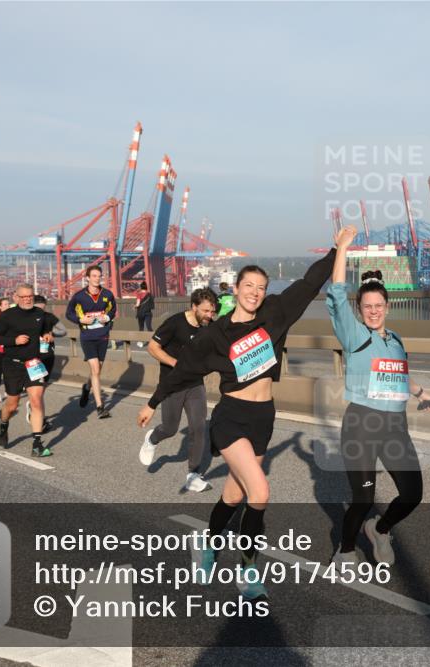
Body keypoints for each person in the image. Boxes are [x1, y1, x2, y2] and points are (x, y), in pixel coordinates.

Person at [137, 236, 341, 601]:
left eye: (261, 287)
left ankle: (209, 543)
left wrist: (336, 250)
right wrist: (153, 403)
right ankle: (248, 570)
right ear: (236, 288)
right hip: (231, 415)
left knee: (234, 495)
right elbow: (183, 370)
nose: (255, 292)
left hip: (263, 416)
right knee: (259, 491)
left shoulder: (275, 314)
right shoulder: (217, 334)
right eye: (249, 286)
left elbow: (310, 284)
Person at [326, 230, 430, 566]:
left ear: (387, 307)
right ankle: (345, 551)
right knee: (363, 497)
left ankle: (380, 529)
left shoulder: (396, 340)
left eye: (378, 306)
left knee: (413, 494)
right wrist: (342, 249)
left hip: (395, 426)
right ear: (359, 310)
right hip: (362, 423)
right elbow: (335, 292)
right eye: (367, 307)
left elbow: (397, 376)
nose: (373, 312)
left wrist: (420, 392)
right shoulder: (354, 334)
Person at [138, 287, 218, 493]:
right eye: (206, 311)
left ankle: (193, 474)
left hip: (194, 383)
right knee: (170, 428)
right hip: (172, 383)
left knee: (199, 428)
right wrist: (176, 363)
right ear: (194, 307)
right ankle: (152, 439)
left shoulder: (209, 326)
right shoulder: (174, 323)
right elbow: (152, 348)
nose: (210, 315)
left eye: (213, 311)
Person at [0, 284, 54, 457]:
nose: (27, 299)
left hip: (34, 364)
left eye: (30, 296)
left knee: (36, 400)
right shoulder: (7, 316)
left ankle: (37, 444)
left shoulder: (40, 314)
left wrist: (48, 334)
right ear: (16, 297)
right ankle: (3, 424)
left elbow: (47, 329)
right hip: (13, 364)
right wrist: (14, 340)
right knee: (12, 405)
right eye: (24, 296)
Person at [65, 265, 116, 419]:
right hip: (87, 336)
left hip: (102, 335)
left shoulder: (107, 294)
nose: (97, 278)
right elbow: (69, 313)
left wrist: (107, 317)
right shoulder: (79, 296)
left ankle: (87, 388)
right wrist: (80, 319)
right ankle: (100, 407)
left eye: (99, 276)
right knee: (95, 369)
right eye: (93, 276)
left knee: (97, 370)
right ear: (87, 278)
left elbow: (113, 310)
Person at [29, 294, 67, 430]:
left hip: (48, 356)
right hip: (33, 358)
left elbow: (63, 331)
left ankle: (34, 406)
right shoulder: (26, 319)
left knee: (43, 386)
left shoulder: (50, 317)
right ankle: (38, 415)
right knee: (38, 388)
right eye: (38, 308)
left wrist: (52, 334)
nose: (40, 311)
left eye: (42, 309)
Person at [134, 281, 154, 347]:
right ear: (146, 287)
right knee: (149, 327)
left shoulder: (139, 294)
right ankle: (153, 341)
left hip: (141, 313)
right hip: (148, 312)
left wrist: (134, 306)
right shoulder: (149, 294)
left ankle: (141, 342)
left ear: (141, 287)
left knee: (141, 328)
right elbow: (152, 304)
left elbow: (138, 304)